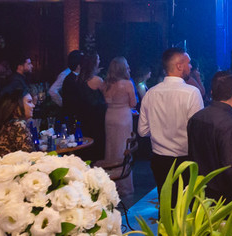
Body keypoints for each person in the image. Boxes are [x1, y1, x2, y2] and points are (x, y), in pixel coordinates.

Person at [138, 47, 205, 190]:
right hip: (185, 160)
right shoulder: (192, 93)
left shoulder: (151, 93)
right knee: (187, 200)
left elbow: (142, 131)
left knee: (165, 201)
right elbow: (198, 132)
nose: (191, 66)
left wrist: (160, 133)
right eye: (188, 63)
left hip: (159, 159)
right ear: (179, 66)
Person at [187, 71, 232, 202]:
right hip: (223, 197)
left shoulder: (196, 117)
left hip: (200, 191)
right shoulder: (230, 123)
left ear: (212, 92)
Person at [102, 56, 138, 196]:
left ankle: (112, 184)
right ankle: (124, 185)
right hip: (123, 117)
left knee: (111, 147)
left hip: (110, 116)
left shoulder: (106, 84)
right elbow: (133, 103)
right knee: (123, 148)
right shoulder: (127, 83)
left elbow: (106, 100)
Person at [71, 52, 107, 161]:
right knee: (97, 148)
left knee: (84, 148)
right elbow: (107, 98)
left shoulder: (78, 79)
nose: (100, 61)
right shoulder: (97, 80)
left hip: (83, 119)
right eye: (98, 59)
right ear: (94, 63)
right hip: (97, 120)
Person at [0, 90, 35, 157]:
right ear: (18, 105)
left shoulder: (9, 123)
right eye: (29, 102)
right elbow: (30, 156)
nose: (33, 105)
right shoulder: (19, 125)